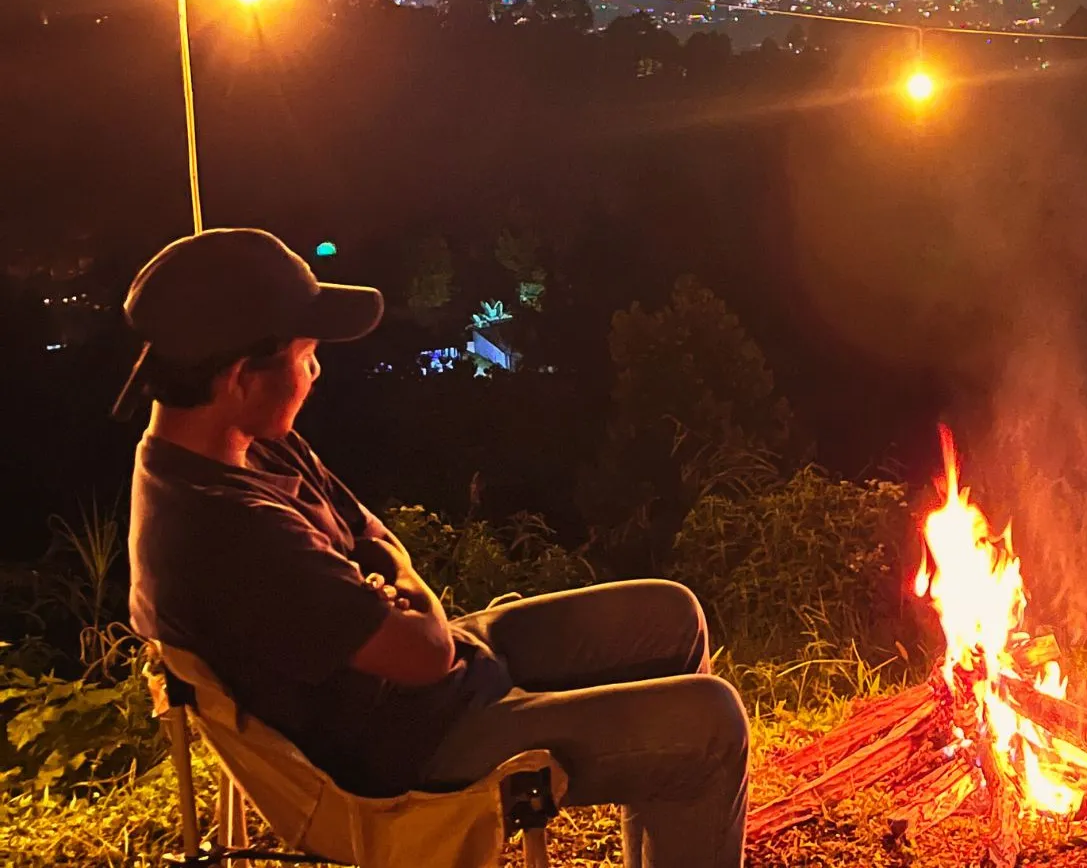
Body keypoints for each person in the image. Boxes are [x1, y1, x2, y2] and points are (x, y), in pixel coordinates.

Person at [120, 228, 747, 868]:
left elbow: (375, 537)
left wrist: (391, 584)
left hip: (431, 688)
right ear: (239, 379)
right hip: (414, 753)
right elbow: (424, 653)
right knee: (710, 724)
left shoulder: (248, 445)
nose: (316, 371)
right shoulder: (223, 530)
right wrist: (397, 593)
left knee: (669, 616)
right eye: (306, 354)